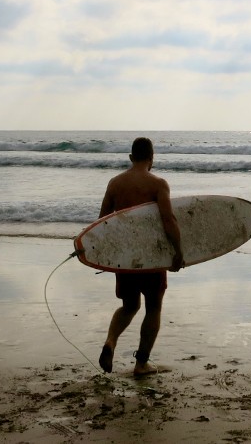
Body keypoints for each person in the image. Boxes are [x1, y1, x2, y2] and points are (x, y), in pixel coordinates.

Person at [97, 137, 185, 376]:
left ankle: (110, 342)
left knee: (129, 305)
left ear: (130, 157)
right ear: (152, 158)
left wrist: (103, 255)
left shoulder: (115, 184)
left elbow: (102, 222)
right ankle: (141, 363)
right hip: (151, 257)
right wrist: (178, 251)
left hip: (125, 257)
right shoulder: (158, 184)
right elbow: (169, 220)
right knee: (153, 307)